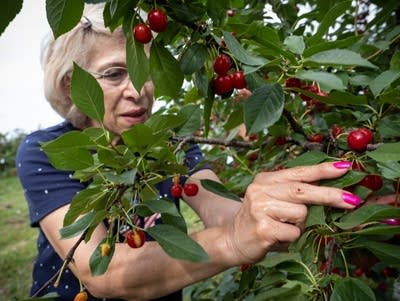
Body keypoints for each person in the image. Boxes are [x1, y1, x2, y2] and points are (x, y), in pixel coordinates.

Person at [16, 3, 371, 301]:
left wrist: (292, 213)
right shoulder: (46, 151)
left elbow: (223, 212)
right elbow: (105, 272)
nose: (138, 89)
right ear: (70, 85)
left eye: (146, 71)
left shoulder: (171, 141)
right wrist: (232, 241)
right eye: (113, 74)